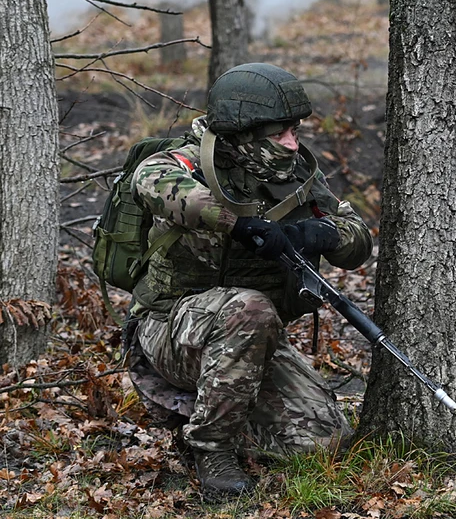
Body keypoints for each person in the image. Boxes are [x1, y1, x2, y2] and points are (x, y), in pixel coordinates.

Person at [125, 63, 373, 496]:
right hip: (169, 329)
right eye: (281, 135)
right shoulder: (191, 159)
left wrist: (323, 233)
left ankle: (216, 412)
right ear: (244, 133)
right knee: (250, 307)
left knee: (324, 441)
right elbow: (151, 181)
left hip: (250, 344)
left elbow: (358, 241)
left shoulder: (298, 178)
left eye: (294, 131)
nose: (293, 143)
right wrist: (238, 224)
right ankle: (211, 449)